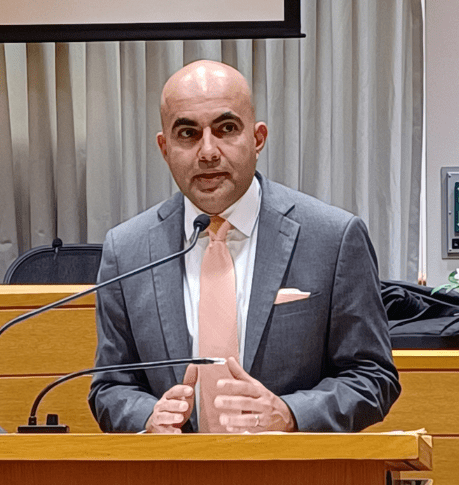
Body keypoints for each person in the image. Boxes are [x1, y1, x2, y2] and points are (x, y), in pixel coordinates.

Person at [89, 60, 399, 433]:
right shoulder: (127, 249)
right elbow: (110, 386)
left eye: (226, 129)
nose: (207, 151)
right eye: (187, 133)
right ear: (164, 147)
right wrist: (148, 416)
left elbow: (372, 376)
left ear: (257, 137)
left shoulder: (333, 237)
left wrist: (290, 413)